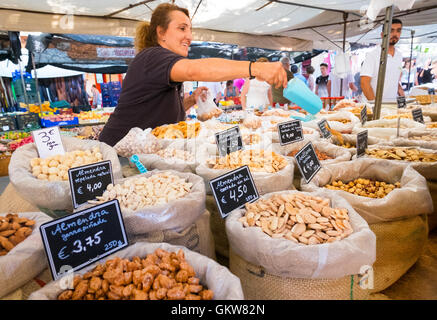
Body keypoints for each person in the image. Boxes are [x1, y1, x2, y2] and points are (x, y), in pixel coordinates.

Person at [98, 3, 287, 146]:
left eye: (190, 29)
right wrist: (257, 68)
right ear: (161, 32)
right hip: (120, 152)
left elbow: (158, 110)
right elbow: (193, 69)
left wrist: (189, 102)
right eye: (182, 28)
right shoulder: (153, 56)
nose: (189, 36)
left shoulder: (162, 63)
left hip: (142, 150)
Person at [360, 18, 405, 101]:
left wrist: (402, 95)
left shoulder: (399, 55)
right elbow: (364, 83)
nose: (395, 34)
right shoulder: (372, 55)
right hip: (373, 107)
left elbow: (394, 80)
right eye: (391, 30)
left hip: (391, 107)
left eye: (398, 31)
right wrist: (375, 106)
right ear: (382, 34)